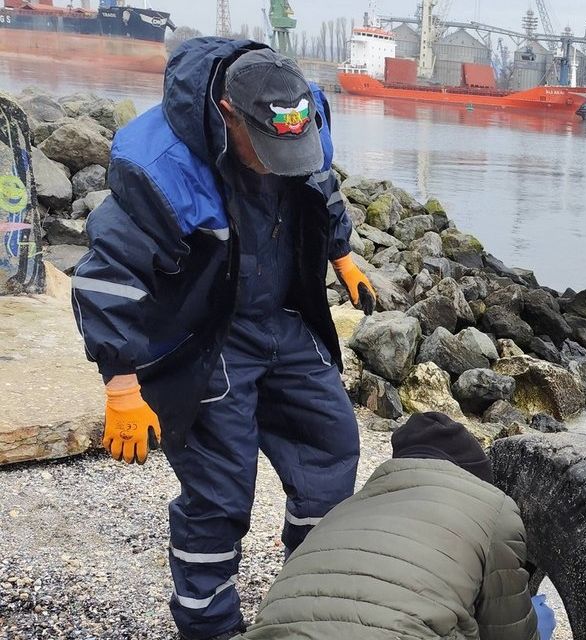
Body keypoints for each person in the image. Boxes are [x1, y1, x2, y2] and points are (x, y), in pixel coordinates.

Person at [70, 38, 376, 640]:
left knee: (333, 444)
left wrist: (341, 254)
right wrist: (122, 383)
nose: (279, 161)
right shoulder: (160, 168)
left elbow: (321, 186)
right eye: (267, 152)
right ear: (229, 113)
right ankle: (209, 625)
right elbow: (107, 276)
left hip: (282, 319)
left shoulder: (298, 116)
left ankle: (309, 595)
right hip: (206, 334)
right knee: (221, 496)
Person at [236, 412, 553, 640]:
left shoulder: (343, 511)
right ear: (474, 474)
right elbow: (509, 633)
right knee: (540, 618)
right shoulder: (494, 507)